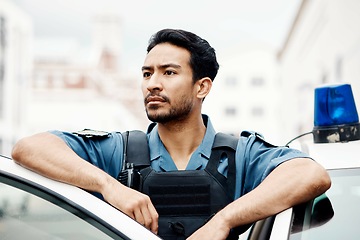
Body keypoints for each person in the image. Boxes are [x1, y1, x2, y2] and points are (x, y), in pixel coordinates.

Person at [11, 28, 331, 240]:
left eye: (169, 72)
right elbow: (29, 148)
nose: (152, 83)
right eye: (147, 73)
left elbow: (310, 174)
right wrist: (109, 186)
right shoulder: (118, 152)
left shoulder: (240, 155)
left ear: (202, 87)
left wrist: (224, 221)